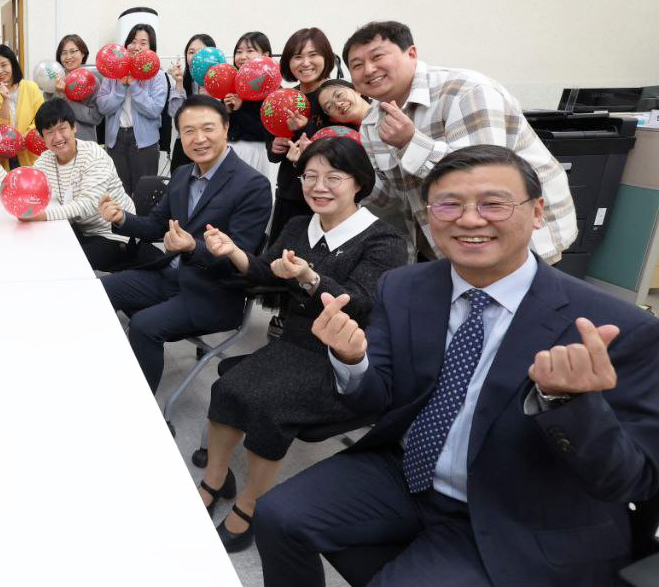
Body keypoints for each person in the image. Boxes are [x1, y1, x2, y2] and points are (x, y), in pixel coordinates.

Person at [254, 145, 659, 587]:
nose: (469, 219)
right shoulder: (406, 286)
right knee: (277, 514)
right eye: (448, 204)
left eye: (493, 203)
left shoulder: (615, 328)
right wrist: (352, 360)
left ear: (538, 211)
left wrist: (569, 403)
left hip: (515, 505)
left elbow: (633, 481)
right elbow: (379, 396)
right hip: (406, 473)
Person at [195, 138, 407, 552]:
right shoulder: (299, 226)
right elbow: (269, 272)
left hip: (340, 356)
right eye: (310, 175)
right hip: (291, 342)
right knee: (227, 388)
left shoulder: (384, 239)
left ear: (359, 183)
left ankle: (251, 503)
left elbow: (360, 303)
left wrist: (309, 277)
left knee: (270, 407)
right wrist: (234, 252)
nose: (318, 186)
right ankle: (214, 480)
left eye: (333, 177)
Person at [342, 20, 577, 263]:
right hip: (447, 250)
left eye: (377, 56)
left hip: (520, 245)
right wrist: (344, 173)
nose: (368, 70)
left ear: (411, 53)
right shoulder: (372, 121)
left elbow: (485, 177)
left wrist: (410, 143)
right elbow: (389, 199)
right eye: (357, 65)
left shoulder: (466, 91)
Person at [97, 96, 272, 392]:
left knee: (144, 326)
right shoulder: (182, 174)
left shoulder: (252, 185)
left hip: (214, 292)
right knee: (97, 293)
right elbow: (154, 225)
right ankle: (107, 372)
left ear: (226, 128)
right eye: (189, 131)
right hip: (169, 275)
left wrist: (193, 248)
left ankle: (142, 409)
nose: (199, 139)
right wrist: (121, 218)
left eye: (208, 128)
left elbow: (240, 259)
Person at [0, 99, 136, 271]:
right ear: (41, 136)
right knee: (36, 249)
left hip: (114, 234)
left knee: (62, 263)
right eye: (49, 132)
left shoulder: (94, 154)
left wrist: (40, 216)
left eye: (62, 129)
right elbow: (19, 188)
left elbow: (87, 205)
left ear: (73, 127)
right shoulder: (46, 160)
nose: (58, 137)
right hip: (78, 229)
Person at [267, 27, 336, 244]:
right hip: (290, 191)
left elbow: (342, 145)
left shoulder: (336, 95)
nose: (305, 63)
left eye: (313, 55)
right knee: (279, 256)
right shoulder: (284, 97)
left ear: (326, 57)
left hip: (326, 194)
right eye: (298, 57)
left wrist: (306, 128)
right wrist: (275, 146)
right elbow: (275, 151)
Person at [96, 23, 168, 196]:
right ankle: (120, 224)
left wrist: (134, 85)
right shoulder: (113, 72)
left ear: (151, 48)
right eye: (133, 41)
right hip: (115, 141)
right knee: (118, 194)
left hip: (144, 143)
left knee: (143, 194)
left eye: (143, 43)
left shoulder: (157, 74)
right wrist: (120, 87)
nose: (136, 47)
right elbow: (103, 106)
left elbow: (154, 110)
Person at [226, 31, 276, 180]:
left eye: (250, 51)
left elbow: (266, 132)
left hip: (257, 154)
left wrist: (240, 110)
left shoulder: (271, 89)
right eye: (239, 52)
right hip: (231, 152)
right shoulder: (231, 85)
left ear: (265, 55)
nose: (242, 56)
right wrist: (226, 112)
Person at [165, 33, 217, 171]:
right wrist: (179, 83)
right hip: (184, 146)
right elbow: (175, 115)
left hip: (210, 145)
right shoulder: (183, 80)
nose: (195, 57)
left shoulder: (221, 82)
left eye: (201, 52)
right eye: (191, 52)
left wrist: (210, 98)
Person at [0, 43, 45, 166]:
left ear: (13, 64)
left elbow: (41, 118)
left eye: (4, 65)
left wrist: (24, 137)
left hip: (31, 152)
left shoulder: (31, 87)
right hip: (5, 155)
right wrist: (5, 100)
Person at [50, 33, 104, 143]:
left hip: (85, 143)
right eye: (64, 53)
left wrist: (65, 98)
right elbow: (50, 116)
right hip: (59, 143)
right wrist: (58, 94)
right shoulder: (52, 81)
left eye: (73, 51)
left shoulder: (92, 81)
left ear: (83, 53)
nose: (68, 57)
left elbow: (95, 117)